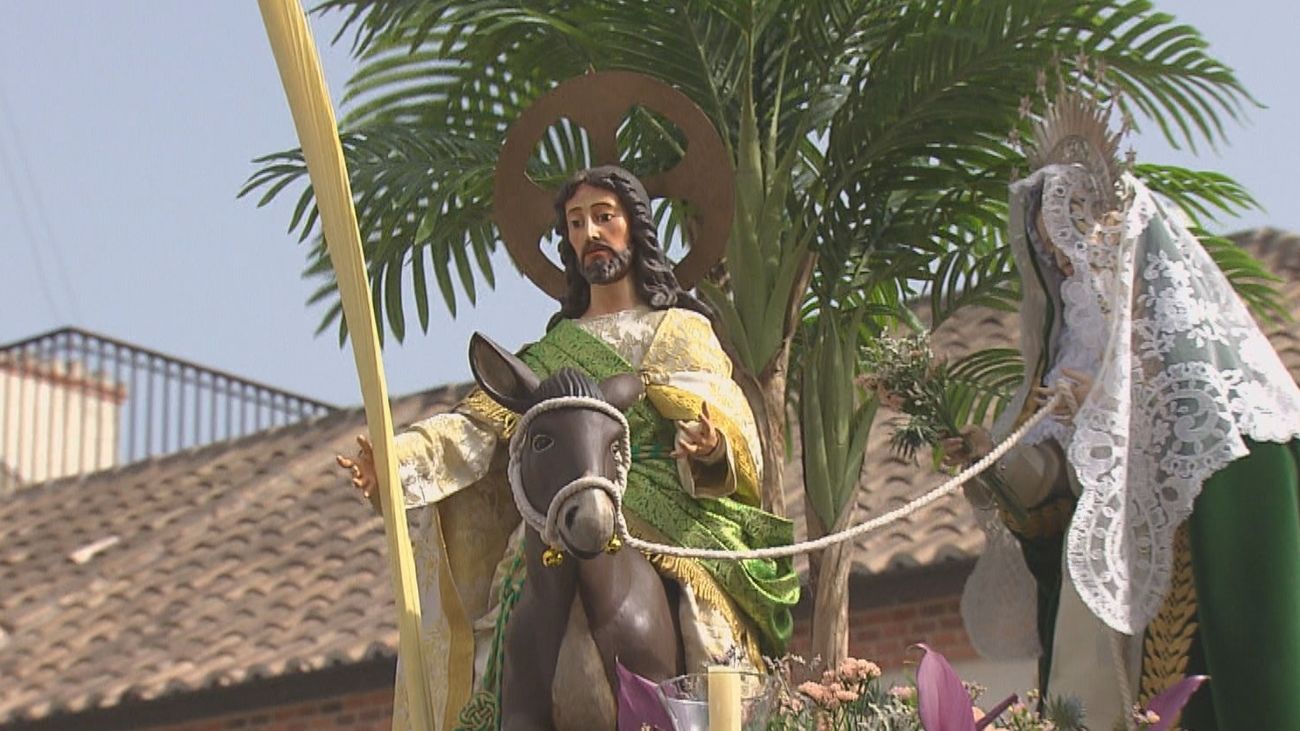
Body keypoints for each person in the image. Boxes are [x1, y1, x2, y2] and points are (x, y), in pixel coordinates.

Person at [338, 165, 799, 730]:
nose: (590, 234)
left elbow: (722, 411)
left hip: (667, 516)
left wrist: (710, 445)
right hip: (562, 513)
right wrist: (396, 461)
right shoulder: (552, 352)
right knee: (508, 606)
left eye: (604, 217)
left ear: (634, 228)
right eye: (577, 223)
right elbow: (474, 429)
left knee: (709, 629)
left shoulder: (681, 330)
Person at [945, 94, 1300, 730]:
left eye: (1066, 244)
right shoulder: (1067, 359)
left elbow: (1228, 509)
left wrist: (1112, 423)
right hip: (1097, 619)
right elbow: (1054, 507)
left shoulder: (1223, 404)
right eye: (1045, 251)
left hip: (1173, 620)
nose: (1056, 263)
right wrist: (995, 466)